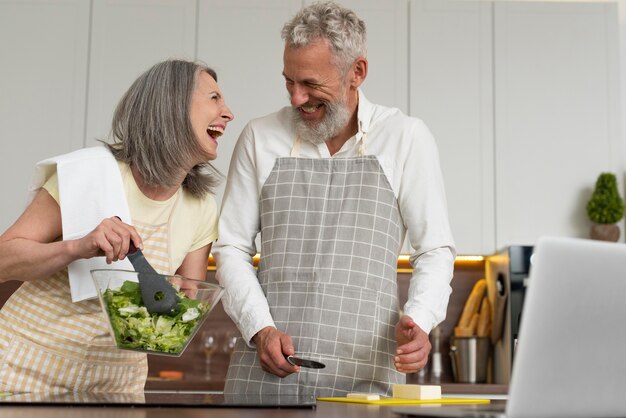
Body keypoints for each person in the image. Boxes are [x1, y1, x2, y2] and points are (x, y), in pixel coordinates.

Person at [213, 1, 455, 398]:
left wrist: (420, 319)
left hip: (365, 384)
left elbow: (434, 249)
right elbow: (231, 247)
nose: (295, 97)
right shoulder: (260, 137)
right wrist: (260, 328)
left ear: (356, 72)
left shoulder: (406, 138)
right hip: (264, 382)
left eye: (310, 83)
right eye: (288, 81)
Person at [0, 59, 234, 393]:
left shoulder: (201, 208)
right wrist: (77, 246)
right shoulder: (87, 174)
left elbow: (183, 297)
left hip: (113, 387)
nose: (228, 113)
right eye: (214, 98)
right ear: (172, 104)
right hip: (23, 370)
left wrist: (177, 312)